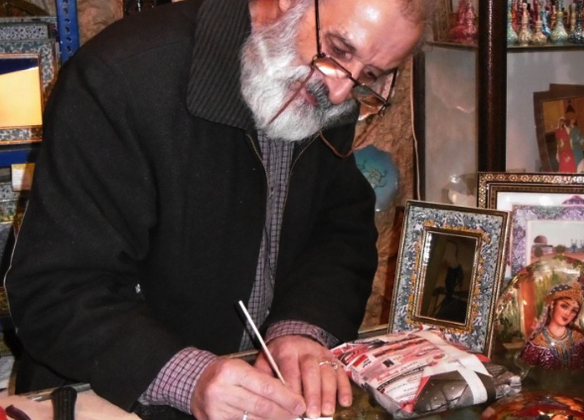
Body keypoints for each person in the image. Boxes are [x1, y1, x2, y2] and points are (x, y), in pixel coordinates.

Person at [4, 0, 433, 419]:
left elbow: (339, 228)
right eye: (339, 49)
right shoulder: (120, 75)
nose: (340, 92)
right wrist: (187, 377)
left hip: (257, 396)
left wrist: (302, 326)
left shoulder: (327, 80)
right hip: (110, 395)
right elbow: (55, 290)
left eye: (368, 75)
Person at [519, 283, 584, 370]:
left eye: (574, 311)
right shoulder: (536, 343)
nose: (568, 313)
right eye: (564, 306)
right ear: (553, 305)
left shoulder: (581, 340)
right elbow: (526, 372)